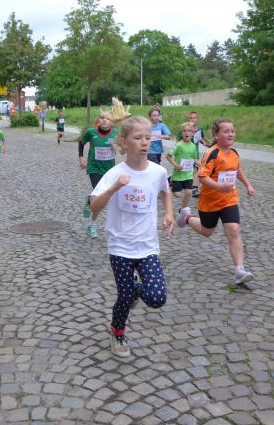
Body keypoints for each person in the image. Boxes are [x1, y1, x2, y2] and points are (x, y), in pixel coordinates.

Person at [89, 116, 174, 358]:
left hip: (147, 246)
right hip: (120, 246)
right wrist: (115, 187)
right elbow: (94, 206)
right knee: (124, 297)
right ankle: (117, 332)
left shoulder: (158, 171)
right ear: (124, 142)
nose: (145, 142)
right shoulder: (114, 173)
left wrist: (169, 214)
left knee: (157, 297)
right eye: (138, 138)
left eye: (148, 137)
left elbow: (165, 192)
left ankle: (135, 288)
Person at [177, 119, 256, 285]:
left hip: (229, 200)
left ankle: (239, 270)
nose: (230, 134)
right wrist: (220, 186)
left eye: (232, 131)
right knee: (207, 232)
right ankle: (187, 217)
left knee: (234, 230)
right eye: (226, 131)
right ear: (216, 135)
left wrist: (248, 185)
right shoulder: (211, 154)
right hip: (210, 202)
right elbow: (202, 177)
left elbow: (237, 170)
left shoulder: (234, 153)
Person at [79, 111, 119, 238]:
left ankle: (89, 200)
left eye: (107, 118)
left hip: (110, 171)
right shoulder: (91, 132)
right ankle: (92, 225)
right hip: (94, 169)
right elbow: (81, 142)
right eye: (102, 117)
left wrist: (118, 147)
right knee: (101, 197)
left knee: (106, 198)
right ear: (98, 120)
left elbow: (124, 149)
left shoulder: (116, 133)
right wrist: (81, 157)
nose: (104, 120)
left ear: (112, 121)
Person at [166, 122, 200, 213]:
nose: (186, 133)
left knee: (189, 192)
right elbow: (168, 156)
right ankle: (170, 182)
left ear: (192, 133)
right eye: (184, 131)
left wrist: (203, 165)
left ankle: (183, 209)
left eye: (189, 131)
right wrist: (176, 165)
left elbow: (195, 159)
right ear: (182, 133)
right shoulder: (178, 145)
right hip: (178, 175)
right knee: (178, 195)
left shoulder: (193, 146)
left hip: (188, 174)